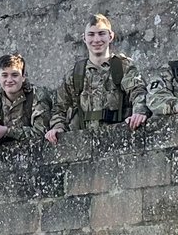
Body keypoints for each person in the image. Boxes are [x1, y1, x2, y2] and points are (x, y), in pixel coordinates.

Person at [46, 14, 148, 143]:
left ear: (110, 36)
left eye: (101, 33)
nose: (96, 39)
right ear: (84, 38)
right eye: (91, 34)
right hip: (84, 144)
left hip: (119, 139)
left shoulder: (122, 67)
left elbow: (138, 91)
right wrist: (57, 128)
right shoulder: (75, 74)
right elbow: (60, 108)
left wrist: (138, 113)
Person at [0, 53, 51, 145]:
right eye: (4, 75)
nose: (9, 80)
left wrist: (7, 131)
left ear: (23, 77)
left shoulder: (37, 95)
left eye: (15, 75)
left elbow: (41, 133)